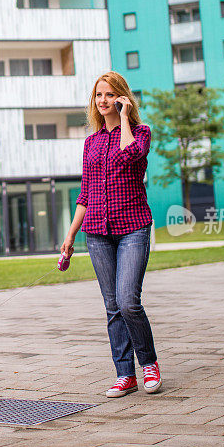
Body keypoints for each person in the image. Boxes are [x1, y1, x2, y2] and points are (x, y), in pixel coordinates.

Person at [60, 71, 161, 397]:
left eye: (110, 95)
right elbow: (85, 194)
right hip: (97, 234)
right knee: (112, 305)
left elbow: (132, 155)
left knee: (129, 301)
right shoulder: (90, 142)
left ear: (122, 97)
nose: (103, 101)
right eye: (99, 95)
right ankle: (124, 374)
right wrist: (71, 236)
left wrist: (126, 117)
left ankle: (148, 364)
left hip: (133, 227)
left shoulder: (140, 133)